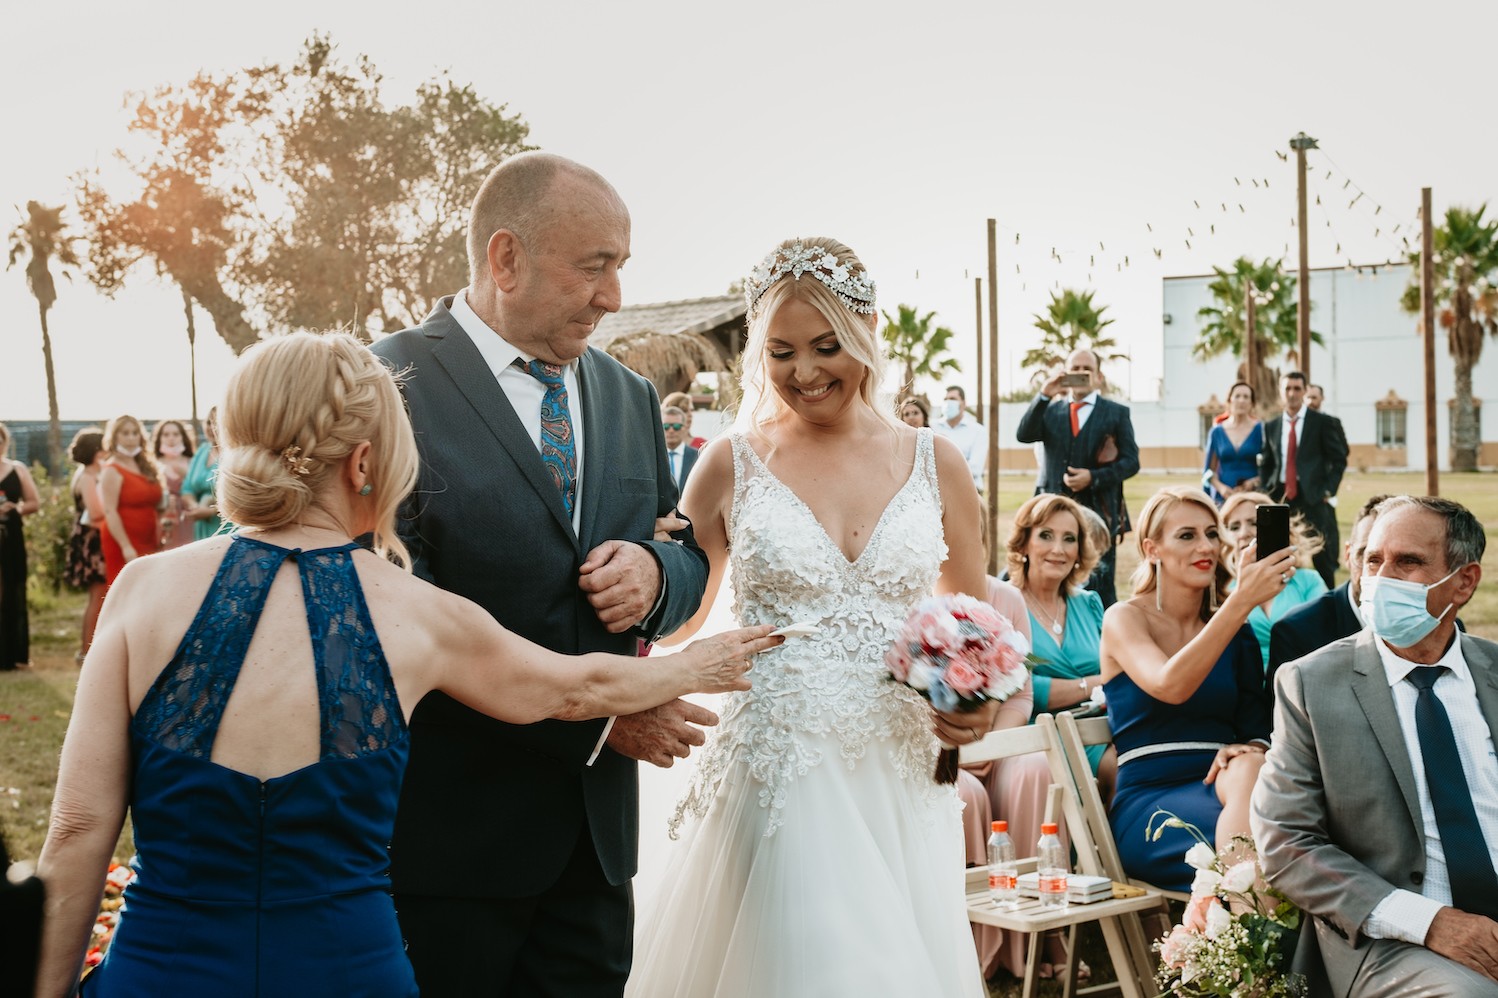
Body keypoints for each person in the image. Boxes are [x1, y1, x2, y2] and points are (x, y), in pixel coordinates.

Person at [31, 332, 778, 998]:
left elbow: (76, 831)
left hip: (163, 973)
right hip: (348, 973)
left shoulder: (141, 594)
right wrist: (695, 666)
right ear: (363, 463)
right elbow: (576, 688)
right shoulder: (417, 614)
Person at [371, 152, 712, 998]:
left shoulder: (629, 396)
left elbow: (688, 550)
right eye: (593, 267)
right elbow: (385, 612)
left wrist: (656, 572)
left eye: (620, 267)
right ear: (506, 257)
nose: (614, 297)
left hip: (597, 850)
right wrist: (597, 720)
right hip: (455, 846)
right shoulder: (387, 385)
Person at [626, 236, 992, 997]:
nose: (804, 372)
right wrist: (640, 574)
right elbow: (679, 617)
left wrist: (970, 705)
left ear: (866, 334)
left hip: (899, 776)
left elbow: (970, 622)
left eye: (826, 346)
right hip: (781, 769)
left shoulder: (936, 461)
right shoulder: (732, 459)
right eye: (781, 352)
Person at [1252, 496, 1498, 997]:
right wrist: (1430, 922)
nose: (1380, 579)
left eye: (1408, 562)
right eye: (1372, 560)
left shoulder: (1492, 672)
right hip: (1396, 939)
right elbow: (1286, 841)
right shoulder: (1311, 684)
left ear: (1463, 582)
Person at [1100, 486, 1293, 892]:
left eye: (1210, 533)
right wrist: (1240, 602)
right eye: (1186, 535)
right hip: (1150, 801)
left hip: (1229, 784)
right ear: (1152, 549)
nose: (1205, 545)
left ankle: (1242, 934)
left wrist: (1250, 747)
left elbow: (1254, 722)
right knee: (1282, 841)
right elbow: (1169, 685)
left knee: (1251, 769)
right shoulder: (1124, 619)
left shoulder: (1233, 630)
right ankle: (1250, 935)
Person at [970, 494, 1109, 982]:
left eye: (1069, 537)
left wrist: (1096, 688)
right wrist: (1092, 685)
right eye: (1046, 535)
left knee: (1113, 764)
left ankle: (1084, 900)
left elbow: (1113, 668)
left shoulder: (1090, 604)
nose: (1058, 547)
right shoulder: (1011, 598)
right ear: (1023, 542)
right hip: (1043, 730)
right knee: (1063, 765)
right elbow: (1036, 688)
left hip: (1085, 726)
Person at [1017, 349, 1140, 607]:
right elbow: (1024, 434)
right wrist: (1044, 393)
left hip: (1099, 512)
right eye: (1075, 368)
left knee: (1099, 583)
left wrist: (1093, 477)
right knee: (1048, 577)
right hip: (1052, 510)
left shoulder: (1116, 412)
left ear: (1098, 376)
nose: (1081, 374)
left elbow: (1131, 461)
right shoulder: (1050, 410)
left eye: (1087, 369)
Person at [1266, 493, 1390, 689]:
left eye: (1405, 560)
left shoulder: (1440, 626)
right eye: (1370, 558)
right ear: (1348, 555)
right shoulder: (1298, 633)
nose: (1383, 574)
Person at [1257, 370, 1348, 590]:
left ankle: (1328, 604)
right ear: (1281, 391)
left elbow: (1339, 458)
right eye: (1287, 388)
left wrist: (1328, 490)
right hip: (1279, 497)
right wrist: (1265, 488)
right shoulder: (1271, 426)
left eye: (1297, 388)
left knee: (1322, 558)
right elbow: (1267, 461)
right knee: (1275, 555)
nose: (1292, 393)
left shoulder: (1322, 422)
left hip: (1312, 497)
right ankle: (1277, 600)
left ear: (1305, 391)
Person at [1219, 491, 1327, 672]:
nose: (1243, 533)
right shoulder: (1221, 589)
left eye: (1254, 523)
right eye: (1234, 527)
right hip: (1244, 689)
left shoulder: (1308, 581)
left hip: (1301, 680)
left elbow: (1326, 636)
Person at [97, 415, 164, 585]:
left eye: (135, 433)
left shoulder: (144, 465)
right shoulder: (112, 469)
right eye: (125, 433)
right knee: (127, 587)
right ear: (114, 437)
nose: (131, 438)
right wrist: (126, 546)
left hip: (149, 536)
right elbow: (109, 510)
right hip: (123, 538)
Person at [64, 427, 109, 662]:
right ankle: (85, 651)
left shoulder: (88, 474)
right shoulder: (88, 477)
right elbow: (96, 512)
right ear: (96, 450)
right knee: (97, 595)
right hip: (92, 541)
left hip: (91, 538)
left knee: (100, 593)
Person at [0, 423, 41, 671]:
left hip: (11, 536)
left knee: (12, 590)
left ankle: (12, 654)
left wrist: (16, 508)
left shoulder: (17, 469)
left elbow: (34, 502)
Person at [1203, 381, 1263, 505]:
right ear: (1229, 400)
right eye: (1237, 396)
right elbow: (1209, 470)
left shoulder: (1261, 430)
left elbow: (1270, 468)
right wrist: (1221, 488)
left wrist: (1255, 482)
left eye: (1246, 397)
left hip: (1253, 495)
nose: (1241, 400)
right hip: (1223, 497)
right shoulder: (1216, 432)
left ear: (1252, 403)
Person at [180, 407, 224, 541]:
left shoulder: (234, 454)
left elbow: (240, 495)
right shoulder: (201, 451)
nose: (212, 427)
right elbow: (187, 487)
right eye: (208, 423)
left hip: (224, 524)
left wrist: (211, 511)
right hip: (201, 524)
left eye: (217, 422)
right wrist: (194, 506)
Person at [933, 384, 986, 489]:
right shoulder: (932, 427)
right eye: (945, 399)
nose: (948, 402)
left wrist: (941, 468)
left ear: (964, 403)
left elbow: (975, 468)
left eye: (952, 399)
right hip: (938, 490)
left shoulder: (978, 431)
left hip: (969, 489)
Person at [661, 405, 698, 490]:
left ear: (685, 428)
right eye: (666, 426)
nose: (671, 430)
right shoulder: (653, 458)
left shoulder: (697, 457)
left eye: (676, 426)